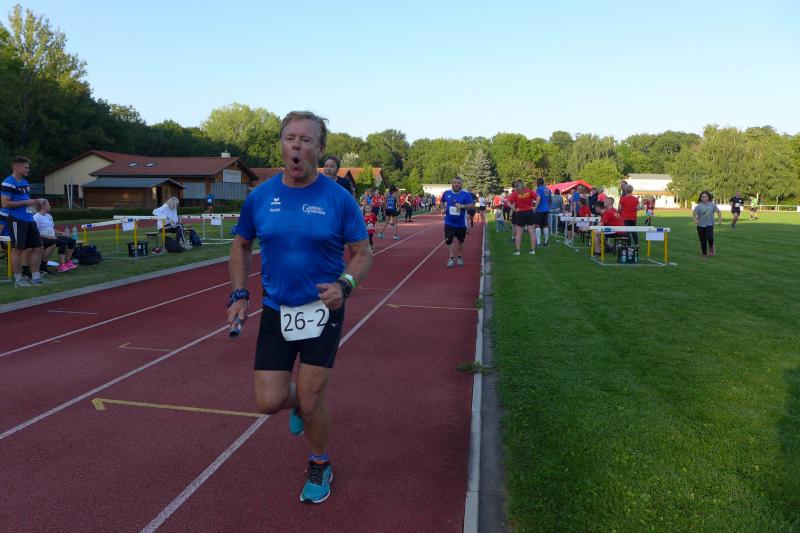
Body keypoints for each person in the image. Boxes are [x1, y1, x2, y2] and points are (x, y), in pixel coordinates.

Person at [227, 111, 372, 504]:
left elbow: (362, 252)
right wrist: (239, 294)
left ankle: (320, 463)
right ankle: (299, 404)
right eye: (290, 138)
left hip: (323, 310)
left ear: (319, 149)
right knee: (268, 402)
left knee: (311, 402)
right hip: (277, 311)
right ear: (281, 144)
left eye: (306, 140)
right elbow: (241, 245)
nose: (296, 145)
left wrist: (345, 285)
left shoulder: (339, 199)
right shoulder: (260, 197)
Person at [1, 156, 45, 287]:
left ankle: (35, 277)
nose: (28, 170)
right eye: (26, 167)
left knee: (38, 247)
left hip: (29, 218)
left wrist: (34, 203)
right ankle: (19, 280)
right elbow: (5, 204)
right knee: (17, 249)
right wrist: (27, 202)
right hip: (16, 219)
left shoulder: (25, 182)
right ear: (17, 167)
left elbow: (26, 200)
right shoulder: (8, 183)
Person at [33, 199, 77, 273]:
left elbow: (52, 229)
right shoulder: (36, 217)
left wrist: (62, 233)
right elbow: (35, 233)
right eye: (48, 204)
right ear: (43, 206)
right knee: (62, 242)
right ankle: (61, 265)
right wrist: (49, 237)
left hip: (53, 237)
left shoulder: (49, 216)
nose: (50, 206)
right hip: (43, 238)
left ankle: (68, 261)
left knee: (72, 241)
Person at [440, 176, 474, 267]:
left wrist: (462, 206)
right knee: (448, 240)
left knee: (460, 241)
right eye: (454, 182)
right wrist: (442, 208)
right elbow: (442, 201)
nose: (456, 184)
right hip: (449, 222)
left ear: (461, 184)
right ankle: (451, 258)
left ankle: (460, 257)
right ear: (452, 183)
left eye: (458, 183)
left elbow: (472, 206)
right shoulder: (446, 193)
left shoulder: (466, 194)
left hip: (461, 223)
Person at [508, 180, 538, 256]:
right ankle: (532, 250)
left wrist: (514, 209)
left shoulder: (515, 193)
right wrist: (535, 207)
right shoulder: (529, 191)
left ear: (517, 186)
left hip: (521, 213)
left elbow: (508, 203)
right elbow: (538, 197)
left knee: (519, 233)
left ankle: (517, 251)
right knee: (532, 232)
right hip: (530, 212)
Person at [693, 191, 722, 257]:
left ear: (708, 197)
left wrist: (719, 220)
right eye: (702, 197)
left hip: (710, 224)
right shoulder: (698, 206)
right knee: (703, 240)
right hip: (700, 225)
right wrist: (695, 220)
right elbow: (694, 215)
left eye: (706, 196)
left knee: (710, 237)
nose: (704, 198)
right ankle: (704, 254)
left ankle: (711, 246)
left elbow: (718, 212)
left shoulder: (712, 205)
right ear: (701, 198)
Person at [533, 178, 550, 246]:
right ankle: (546, 241)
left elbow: (538, 198)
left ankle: (538, 242)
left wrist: (535, 208)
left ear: (538, 183)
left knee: (537, 225)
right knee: (545, 225)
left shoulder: (539, 189)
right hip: (546, 209)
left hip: (540, 210)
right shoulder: (548, 189)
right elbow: (550, 200)